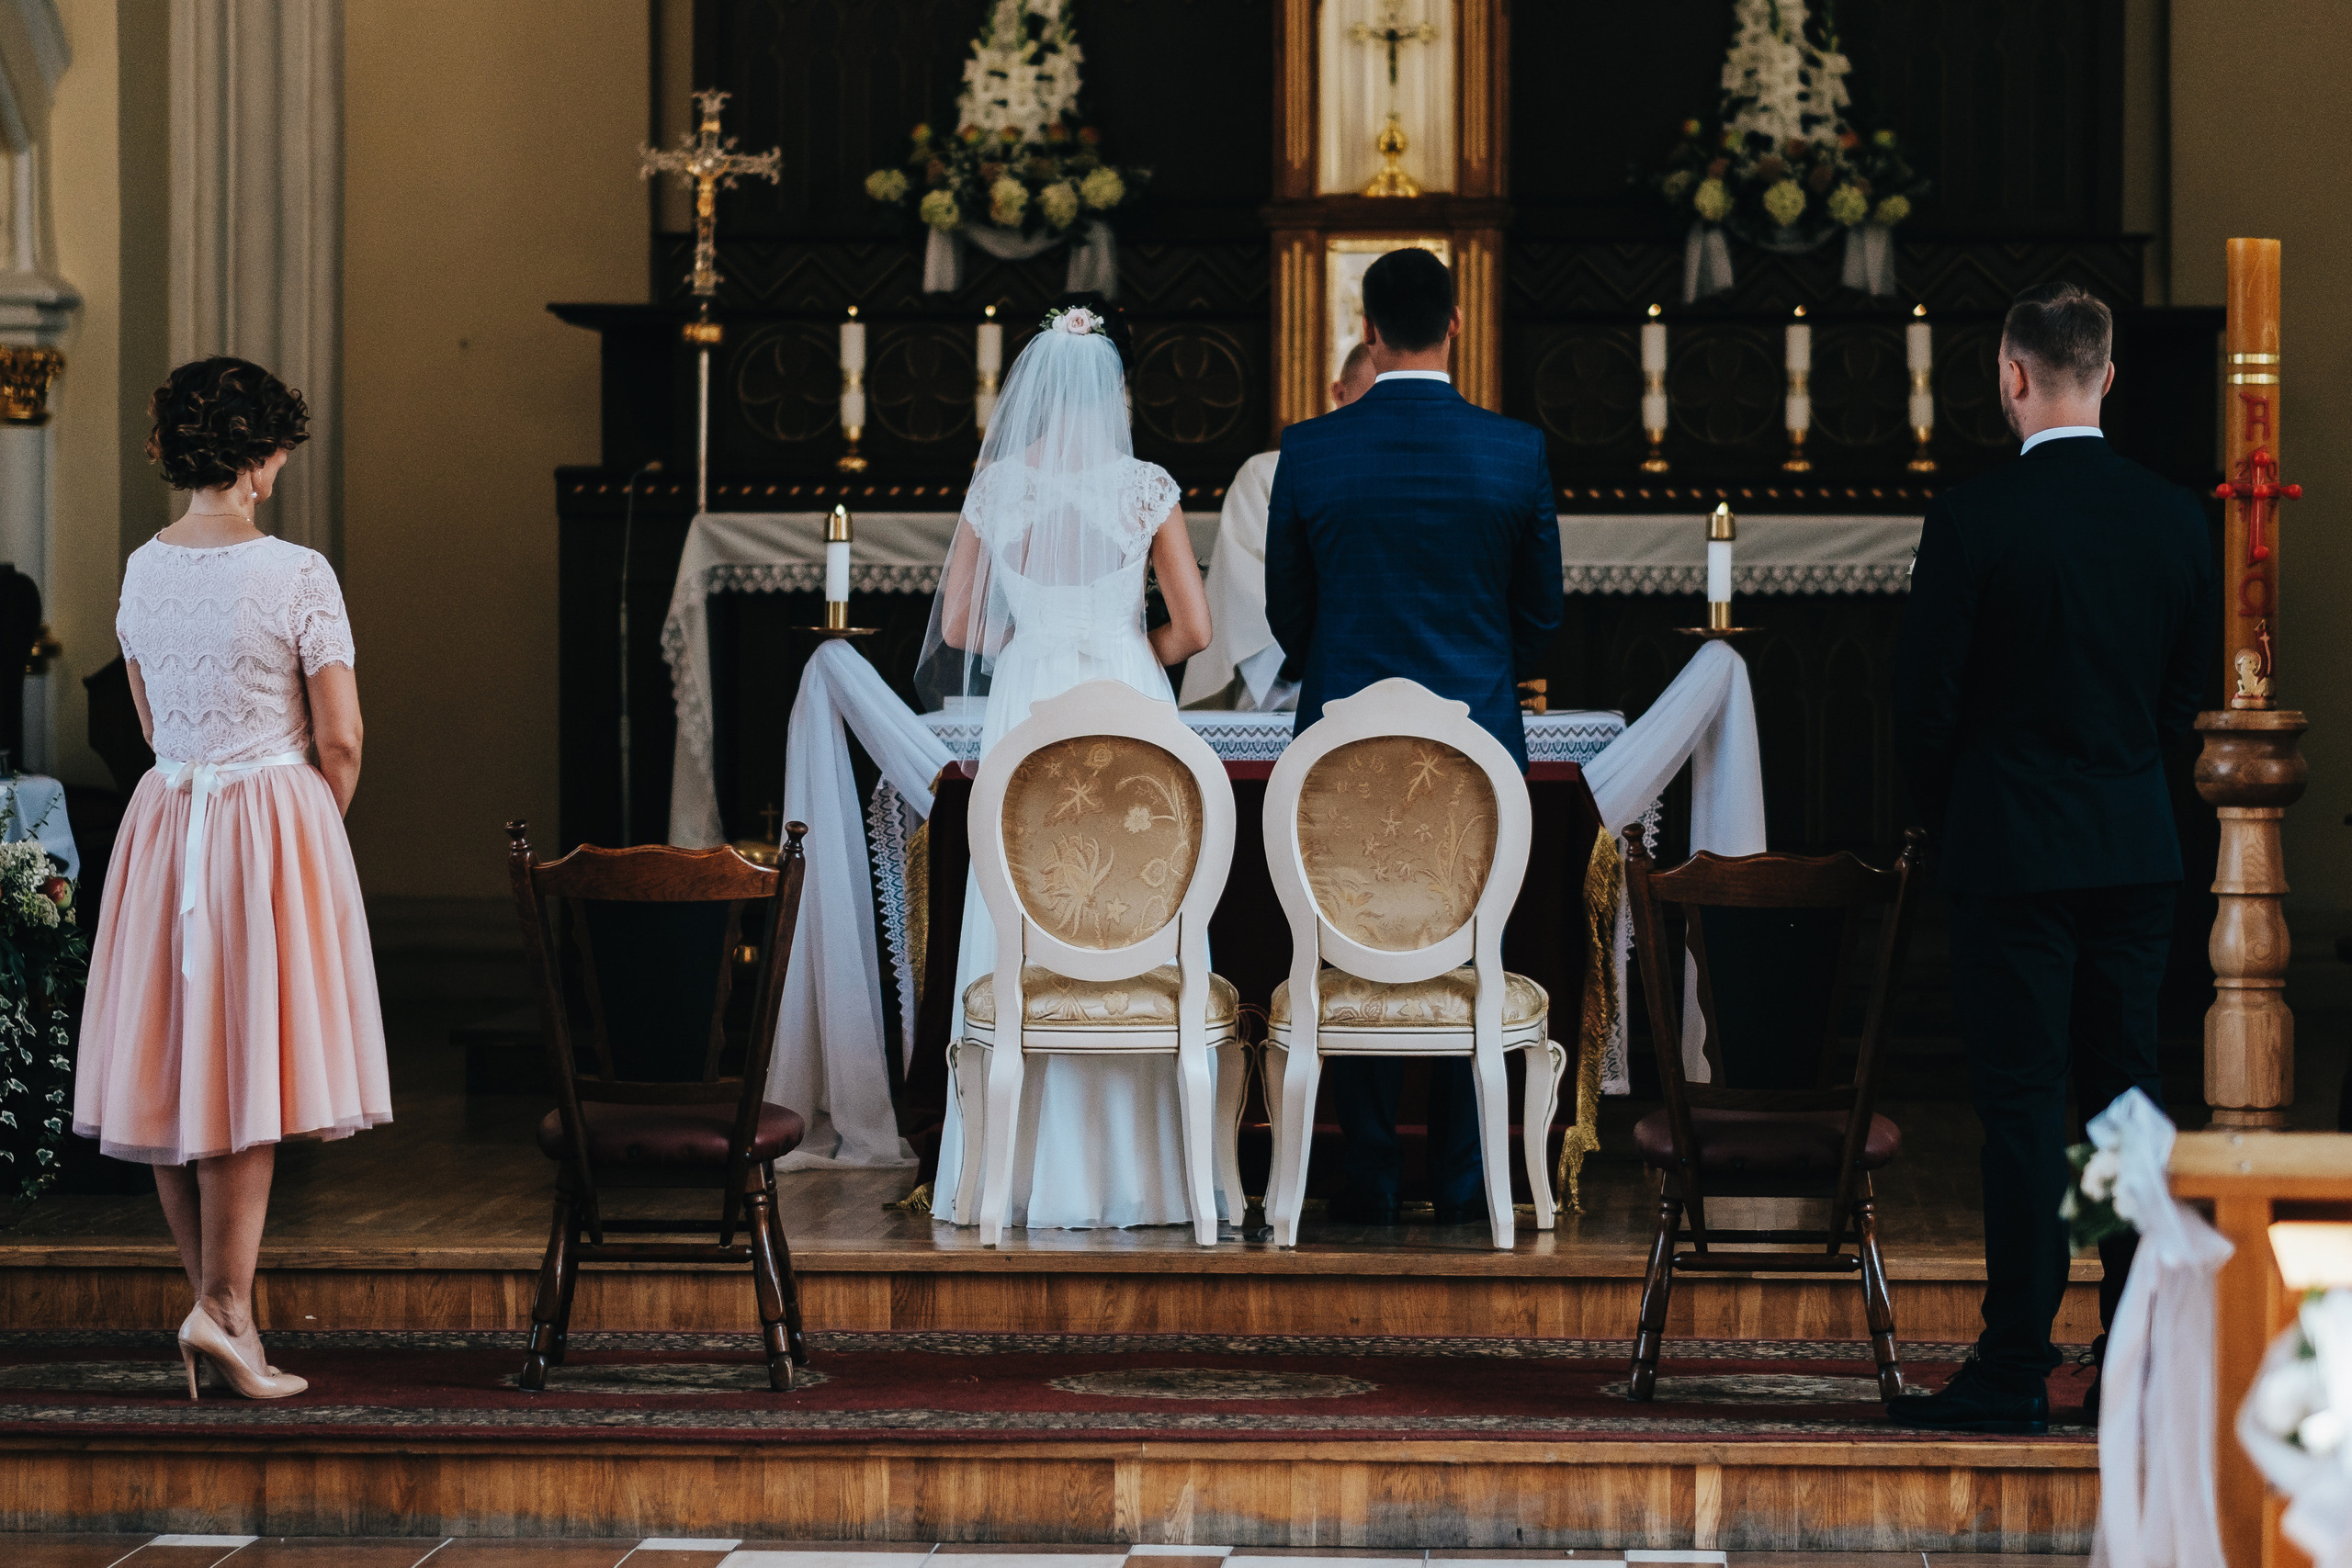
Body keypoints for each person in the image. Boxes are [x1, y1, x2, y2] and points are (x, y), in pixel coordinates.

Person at [1888, 283, 2215, 1433]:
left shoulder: (1974, 519)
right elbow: (2182, 700)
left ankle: (2014, 1367)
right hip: (2131, 846)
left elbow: (1924, 705)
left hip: (2010, 851)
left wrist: (1954, 814)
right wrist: (2122, 786)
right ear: (2108, 377)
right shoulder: (2175, 519)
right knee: (2124, 1105)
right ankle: (2132, 1358)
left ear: (2012, 375)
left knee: (2024, 1109)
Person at [74, 356, 390, 1401]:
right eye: (280, 448)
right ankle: (225, 1308)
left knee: (171, 1063)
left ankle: (216, 1307)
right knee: (247, 1066)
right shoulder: (298, 573)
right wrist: (307, 827)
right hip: (264, 825)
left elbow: (150, 721)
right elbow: (341, 739)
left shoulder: (142, 569)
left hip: (169, 819)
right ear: (258, 457)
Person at [1262, 248, 1564, 1225]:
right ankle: (1468, 1179)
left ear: (1368, 327)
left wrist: (1353, 677)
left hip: (1338, 738)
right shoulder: (1514, 451)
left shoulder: (1311, 450)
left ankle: (1370, 1175)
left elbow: (1288, 615)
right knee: (1475, 944)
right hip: (1479, 741)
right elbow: (1541, 618)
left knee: (1349, 938)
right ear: (1456, 324)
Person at [923, 291, 1216, 1229]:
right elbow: (1195, 629)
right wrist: (1130, 651)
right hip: (1128, 697)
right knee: (1133, 911)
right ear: (1116, 387)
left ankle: (1007, 1175)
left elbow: (959, 624)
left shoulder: (997, 487)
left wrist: (1033, 642)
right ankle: (1144, 1175)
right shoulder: (1147, 488)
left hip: (1029, 702)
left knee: (1025, 908)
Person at [1179, 344, 1378, 712]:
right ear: (1339, 393)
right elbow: (1250, 592)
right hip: (1298, 691)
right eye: (1371, 403)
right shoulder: (1268, 474)